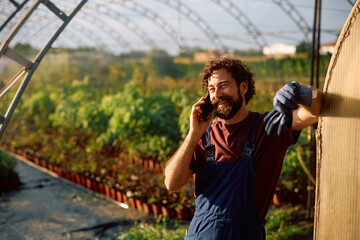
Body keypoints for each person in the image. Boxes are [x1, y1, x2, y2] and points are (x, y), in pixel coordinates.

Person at [164, 55, 323, 240]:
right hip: (200, 234)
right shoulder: (203, 135)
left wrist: (300, 92)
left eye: (223, 85)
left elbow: (315, 112)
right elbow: (171, 183)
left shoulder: (269, 128)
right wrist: (192, 136)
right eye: (212, 89)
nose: (217, 94)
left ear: (243, 87)